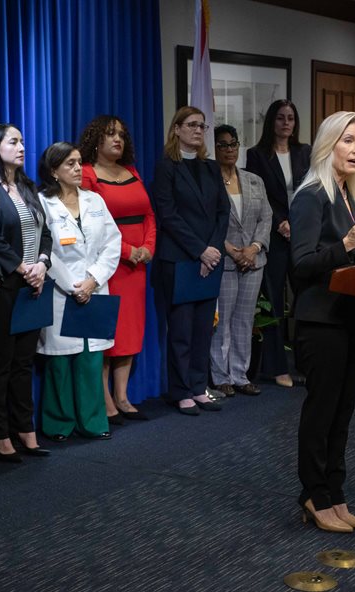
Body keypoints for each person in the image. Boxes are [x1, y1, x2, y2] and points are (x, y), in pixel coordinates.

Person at [290, 111, 355, 533]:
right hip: (321, 322)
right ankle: (314, 494)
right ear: (329, 144)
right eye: (349, 140)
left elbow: (350, 260)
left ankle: (336, 493)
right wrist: (348, 245)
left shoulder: (351, 197)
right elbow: (302, 265)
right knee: (322, 412)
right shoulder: (311, 195)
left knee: (343, 414)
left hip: (350, 317)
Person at [0, 123, 53, 460]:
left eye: (23, 140)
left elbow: (45, 232)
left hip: (33, 285)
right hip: (7, 285)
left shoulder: (27, 186)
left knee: (24, 363)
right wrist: (22, 268)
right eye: (13, 141)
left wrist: (42, 264)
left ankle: (25, 427)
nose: (22, 146)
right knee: (1, 365)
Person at [36, 142, 121, 441]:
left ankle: (94, 422)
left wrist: (92, 280)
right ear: (53, 171)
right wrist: (72, 285)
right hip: (61, 292)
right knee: (59, 360)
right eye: (70, 164)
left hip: (93, 289)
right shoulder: (42, 203)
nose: (77, 169)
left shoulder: (95, 201)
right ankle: (58, 423)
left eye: (79, 162)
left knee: (91, 358)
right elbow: (43, 249)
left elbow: (113, 243)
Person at [151, 106, 230, 415]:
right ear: (177, 129)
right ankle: (180, 390)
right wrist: (200, 250)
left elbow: (223, 212)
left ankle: (198, 387)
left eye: (202, 126)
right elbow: (168, 215)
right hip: (180, 259)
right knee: (181, 331)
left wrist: (212, 250)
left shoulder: (210, 167)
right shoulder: (166, 167)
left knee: (202, 330)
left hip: (210, 259)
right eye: (192, 125)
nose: (199, 130)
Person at [78, 115, 156, 423]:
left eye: (122, 134)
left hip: (138, 265)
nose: (117, 140)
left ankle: (122, 395)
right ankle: (105, 398)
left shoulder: (132, 171)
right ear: (96, 140)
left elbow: (148, 214)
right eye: (111, 134)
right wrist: (126, 251)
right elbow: (89, 224)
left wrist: (147, 248)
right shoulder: (87, 174)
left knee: (130, 332)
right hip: (109, 264)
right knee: (107, 332)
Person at [243, 100, 311, 388]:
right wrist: (281, 221)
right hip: (273, 234)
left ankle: (308, 361)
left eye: (291, 118)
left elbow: (311, 189)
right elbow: (260, 196)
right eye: (281, 118)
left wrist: (298, 221)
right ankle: (276, 367)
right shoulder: (257, 155)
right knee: (272, 300)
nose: (286, 123)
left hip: (303, 234)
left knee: (307, 299)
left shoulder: (304, 152)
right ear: (271, 121)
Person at [209, 124, 271, 397]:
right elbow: (208, 222)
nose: (230, 149)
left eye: (233, 144)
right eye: (223, 145)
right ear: (214, 148)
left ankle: (240, 375)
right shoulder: (209, 181)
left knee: (245, 320)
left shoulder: (254, 180)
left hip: (253, 260)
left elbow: (266, 217)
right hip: (224, 259)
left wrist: (255, 247)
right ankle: (220, 376)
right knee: (223, 323)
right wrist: (232, 250)